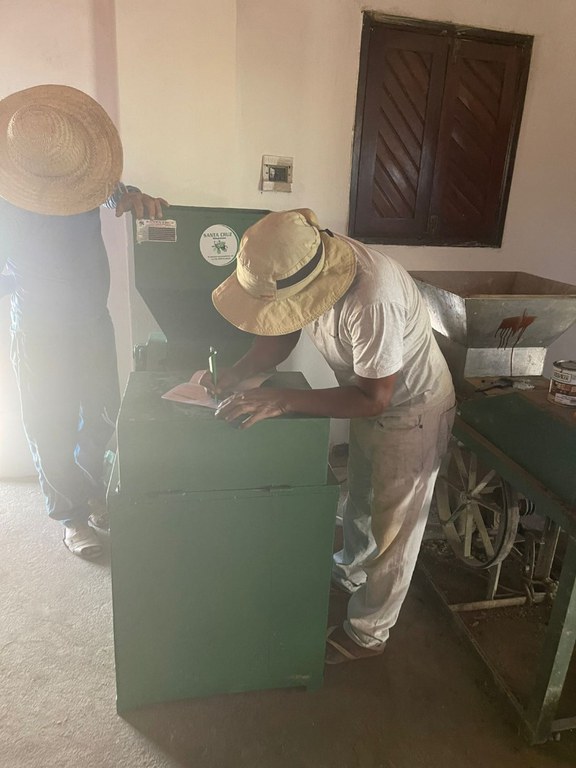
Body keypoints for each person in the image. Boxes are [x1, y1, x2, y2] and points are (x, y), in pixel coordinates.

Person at [202, 208, 455, 663]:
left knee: (395, 525)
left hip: (411, 407)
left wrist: (281, 399)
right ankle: (351, 572)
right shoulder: (300, 262)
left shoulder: (372, 296)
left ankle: (368, 631)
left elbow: (375, 397)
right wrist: (238, 374)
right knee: (361, 495)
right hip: (365, 395)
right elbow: (279, 331)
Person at [0, 84, 167, 560]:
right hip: (39, 327)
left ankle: (91, 491)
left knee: (104, 411)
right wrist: (25, 280)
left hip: (93, 317)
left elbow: (114, 191)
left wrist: (133, 196)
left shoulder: (83, 177)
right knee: (49, 421)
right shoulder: (5, 199)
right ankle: (69, 516)